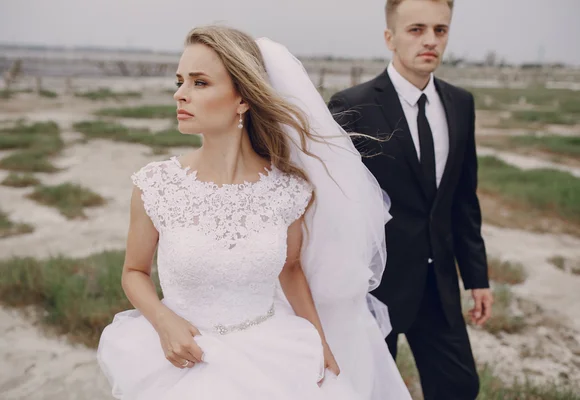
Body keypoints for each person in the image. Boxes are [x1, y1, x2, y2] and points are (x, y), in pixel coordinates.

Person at [97, 26, 412, 400]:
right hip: (182, 362)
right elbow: (134, 272)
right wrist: (164, 322)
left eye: (199, 83)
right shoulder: (156, 184)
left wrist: (320, 343)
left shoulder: (289, 189)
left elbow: (291, 269)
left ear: (243, 99)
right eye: (180, 81)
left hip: (273, 357)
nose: (180, 94)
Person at [328, 1, 493, 399]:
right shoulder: (352, 106)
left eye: (441, 30)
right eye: (416, 29)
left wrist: (477, 277)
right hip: (373, 285)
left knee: (459, 386)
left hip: (438, 284)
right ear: (390, 37)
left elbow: (462, 200)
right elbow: (333, 205)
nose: (430, 41)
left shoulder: (460, 103)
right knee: (369, 390)